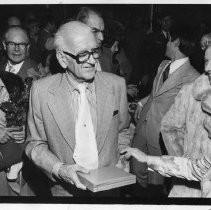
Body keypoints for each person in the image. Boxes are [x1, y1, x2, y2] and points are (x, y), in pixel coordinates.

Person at [25, 20, 131, 197]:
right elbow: (34, 144)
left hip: (109, 190)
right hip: (64, 192)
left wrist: (122, 155)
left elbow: (123, 129)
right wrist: (60, 169)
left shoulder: (116, 85)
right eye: (83, 54)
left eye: (94, 51)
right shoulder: (41, 91)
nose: (92, 60)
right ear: (62, 58)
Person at [131, 25, 200, 197]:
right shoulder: (163, 64)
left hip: (161, 135)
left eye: (168, 40)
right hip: (143, 125)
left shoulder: (193, 77)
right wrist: (141, 103)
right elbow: (156, 93)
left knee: (156, 179)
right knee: (136, 170)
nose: (166, 44)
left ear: (176, 42)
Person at [159, 45, 211, 197]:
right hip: (188, 187)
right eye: (206, 61)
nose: (207, 67)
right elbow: (169, 128)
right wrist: (184, 162)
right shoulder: (190, 92)